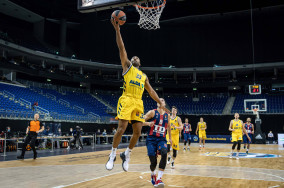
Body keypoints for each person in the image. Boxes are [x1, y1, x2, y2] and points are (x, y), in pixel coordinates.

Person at [106, 17, 168, 172]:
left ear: (140, 63)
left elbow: (151, 91)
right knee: (121, 128)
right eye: (133, 57)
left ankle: (127, 154)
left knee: (138, 132)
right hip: (127, 99)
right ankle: (112, 154)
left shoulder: (143, 76)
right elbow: (121, 48)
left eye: (137, 58)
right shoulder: (127, 67)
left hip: (138, 102)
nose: (134, 57)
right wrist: (117, 30)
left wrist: (160, 103)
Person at [144, 98, 172, 187]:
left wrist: (170, 138)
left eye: (162, 100)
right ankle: (153, 174)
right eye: (159, 100)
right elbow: (140, 120)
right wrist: (148, 124)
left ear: (164, 104)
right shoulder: (152, 112)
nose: (160, 101)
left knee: (164, 152)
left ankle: (159, 179)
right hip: (151, 139)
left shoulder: (167, 115)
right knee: (153, 162)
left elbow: (169, 127)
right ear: (157, 103)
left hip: (161, 139)